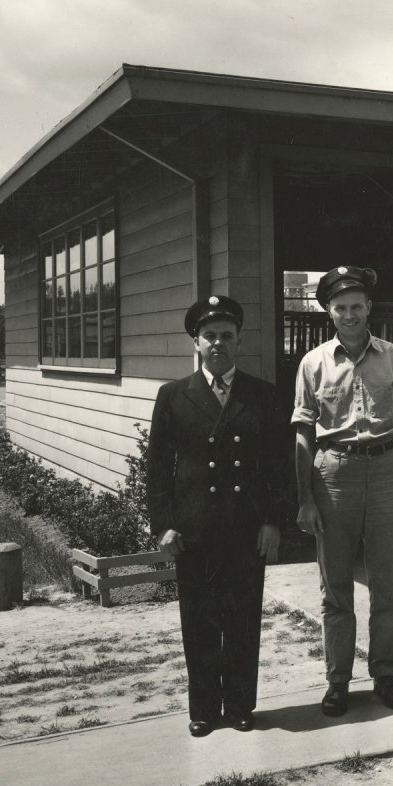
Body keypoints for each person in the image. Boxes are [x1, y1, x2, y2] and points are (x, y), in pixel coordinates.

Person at [147, 294, 286, 738]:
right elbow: (158, 469)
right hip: (195, 531)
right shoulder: (172, 397)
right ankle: (204, 709)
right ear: (196, 341)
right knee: (200, 621)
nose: (218, 343)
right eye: (210, 336)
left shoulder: (262, 395)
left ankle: (242, 705)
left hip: (247, 529)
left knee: (243, 620)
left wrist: (272, 521)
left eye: (227, 335)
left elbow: (277, 466)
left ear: (240, 342)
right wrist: (163, 524)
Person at [292, 266, 393, 717]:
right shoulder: (313, 363)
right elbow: (304, 433)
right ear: (328, 311)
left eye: (357, 306)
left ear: (369, 308)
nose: (349, 315)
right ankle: (338, 681)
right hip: (334, 475)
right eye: (340, 307)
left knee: (386, 583)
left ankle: (386, 674)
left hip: (385, 473)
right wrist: (306, 498)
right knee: (336, 587)